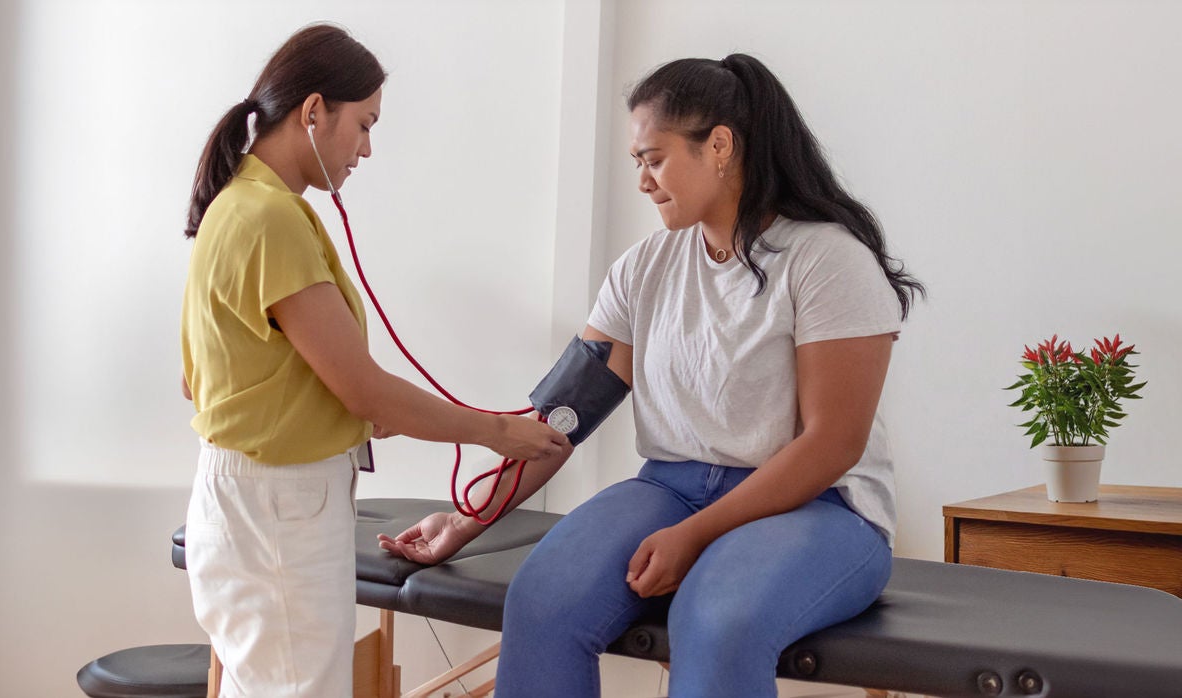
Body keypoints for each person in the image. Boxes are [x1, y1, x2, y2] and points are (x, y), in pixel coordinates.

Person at [382, 53, 923, 698]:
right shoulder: (645, 269)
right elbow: (563, 418)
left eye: (654, 158)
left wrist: (696, 535)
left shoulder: (827, 260)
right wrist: (472, 516)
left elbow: (834, 444)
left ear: (720, 146)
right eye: (637, 162)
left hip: (822, 508)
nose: (642, 180)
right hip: (671, 487)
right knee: (542, 598)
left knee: (717, 619)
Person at [181, 23, 569, 697]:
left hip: (245, 498)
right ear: (312, 112)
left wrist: (344, 404)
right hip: (280, 508)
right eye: (363, 124)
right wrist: (499, 433)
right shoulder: (271, 220)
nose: (366, 148)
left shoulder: (237, 207)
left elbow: (202, 381)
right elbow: (367, 392)